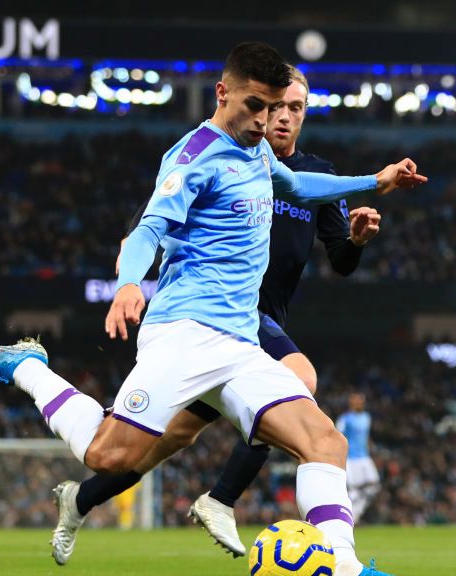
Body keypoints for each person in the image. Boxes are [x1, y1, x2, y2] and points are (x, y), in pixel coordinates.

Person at [0, 41, 424, 576]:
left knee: (324, 442)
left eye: (274, 108)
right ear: (223, 93)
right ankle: (26, 367)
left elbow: (298, 185)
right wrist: (129, 283)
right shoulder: (193, 157)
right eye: (254, 106)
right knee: (109, 457)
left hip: (241, 344)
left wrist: (374, 182)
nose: (265, 120)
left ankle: (346, 568)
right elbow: (149, 228)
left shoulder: (258, 148)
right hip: (185, 332)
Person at [73, 65, 384, 559]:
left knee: (171, 437)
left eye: (293, 108)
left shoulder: (313, 176)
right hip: (213, 317)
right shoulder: (205, 157)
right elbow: (148, 226)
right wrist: (130, 276)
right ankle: (221, 499)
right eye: (271, 106)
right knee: (300, 379)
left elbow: (340, 259)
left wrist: (359, 235)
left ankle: (81, 498)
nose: (279, 118)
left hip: (255, 324)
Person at [336, 393, 381, 522]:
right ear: (351, 402)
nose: (359, 403)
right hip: (350, 458)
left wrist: (373, 450)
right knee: (354, 488)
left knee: (374, 485)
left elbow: (365, 437)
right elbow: (337, 436)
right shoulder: (345, 419)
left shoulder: (367, 417)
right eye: (355, 400)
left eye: (360, 400)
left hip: (364, 457)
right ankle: (350, 517)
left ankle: (356, 512)